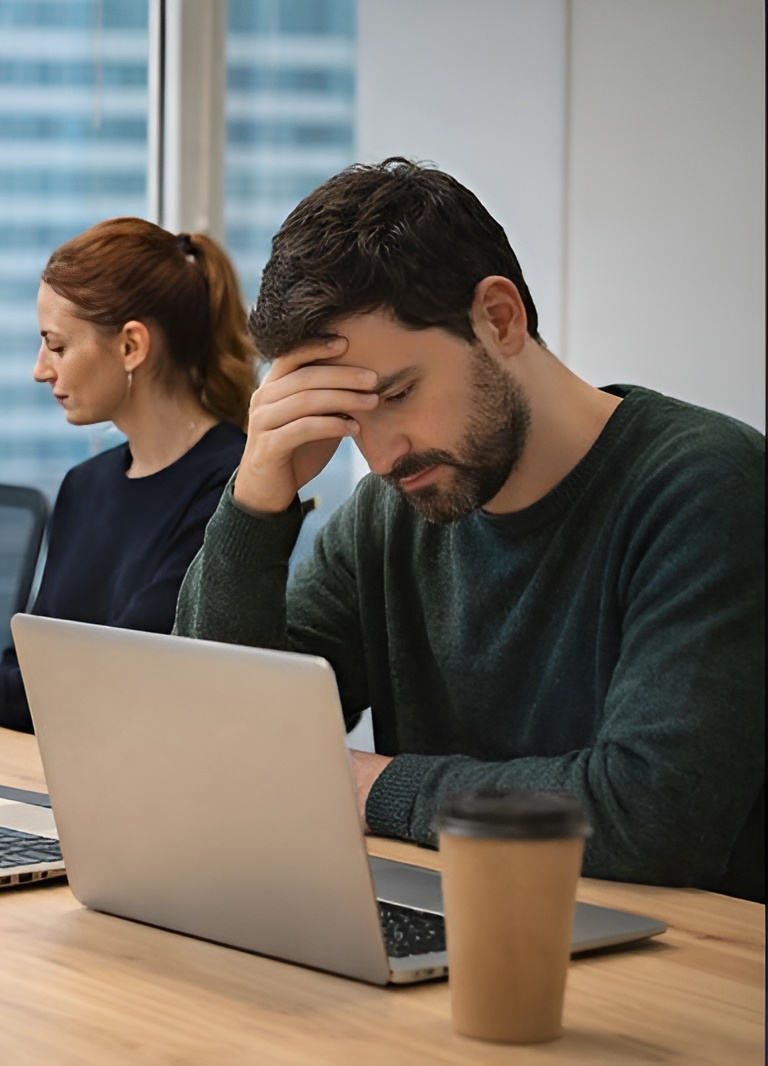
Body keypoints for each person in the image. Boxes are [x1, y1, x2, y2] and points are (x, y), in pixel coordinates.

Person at [175, 159, 764, 901]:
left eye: (398, 394)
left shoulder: (706, 485)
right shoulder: (389, 516)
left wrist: (373, 785)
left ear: (499, 318)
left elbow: (652, 812)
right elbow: (227, 746)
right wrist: (256, 501)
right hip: (460, 927)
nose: (381, 455)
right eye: (351, 419)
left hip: (679, 975)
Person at [0, 217, 255, 732]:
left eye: (56, 346)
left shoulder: (233, 485)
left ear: (130, 347)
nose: (40, 369)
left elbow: (108, 677)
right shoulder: (85, 485)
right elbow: (32, 669)